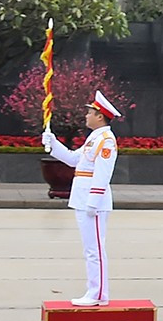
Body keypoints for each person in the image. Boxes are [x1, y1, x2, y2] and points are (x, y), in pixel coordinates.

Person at [43, 91, 122, 306]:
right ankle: (95, 291)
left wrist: (93, 202)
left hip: (92, 201)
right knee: (90, 249)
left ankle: (98, 294)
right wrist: (53, 144)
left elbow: (103, 173)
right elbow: (73, 160)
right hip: (83, 198)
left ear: (100, 116)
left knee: (94, 249)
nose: (86, 116)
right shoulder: (94, 138)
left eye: (90, 112)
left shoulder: (106, 140)